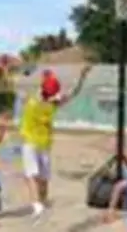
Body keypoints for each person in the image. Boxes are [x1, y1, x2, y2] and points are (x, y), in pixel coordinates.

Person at [18, 63, 92, 218]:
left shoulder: (32, 100)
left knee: (31, 175)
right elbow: (73, 92)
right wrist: (82, 77)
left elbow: (24, 86)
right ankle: (42, 203)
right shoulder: (53, 104)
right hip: (44, 144)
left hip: (30, 142)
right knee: (43, 178)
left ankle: (37, 205)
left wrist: (28, 74)